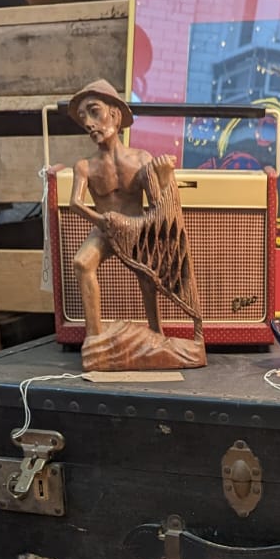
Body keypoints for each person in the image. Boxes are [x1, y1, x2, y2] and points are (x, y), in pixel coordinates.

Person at [67, 80, 205, 370]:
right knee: (82, 263)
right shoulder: (85, 166)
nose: (90, 124)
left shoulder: (141, 160)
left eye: (94, 112)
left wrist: (165, 175)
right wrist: (101, 221)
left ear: (115, 116)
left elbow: (160, 203)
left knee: (149, 275)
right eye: (84, 118)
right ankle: (95, 338)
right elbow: (75, 203)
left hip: (138, 230)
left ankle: (156, 333)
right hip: (104, 231)